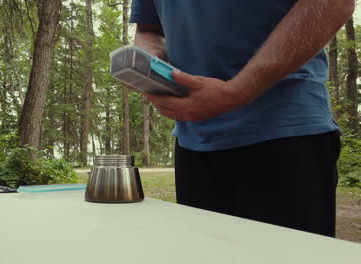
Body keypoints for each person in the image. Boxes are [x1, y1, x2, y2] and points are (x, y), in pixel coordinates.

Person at [130, 0, 354, 237]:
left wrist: (238, 90)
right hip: (193, 141)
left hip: (285, 135)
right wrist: (150, 62)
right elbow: (148, 31)